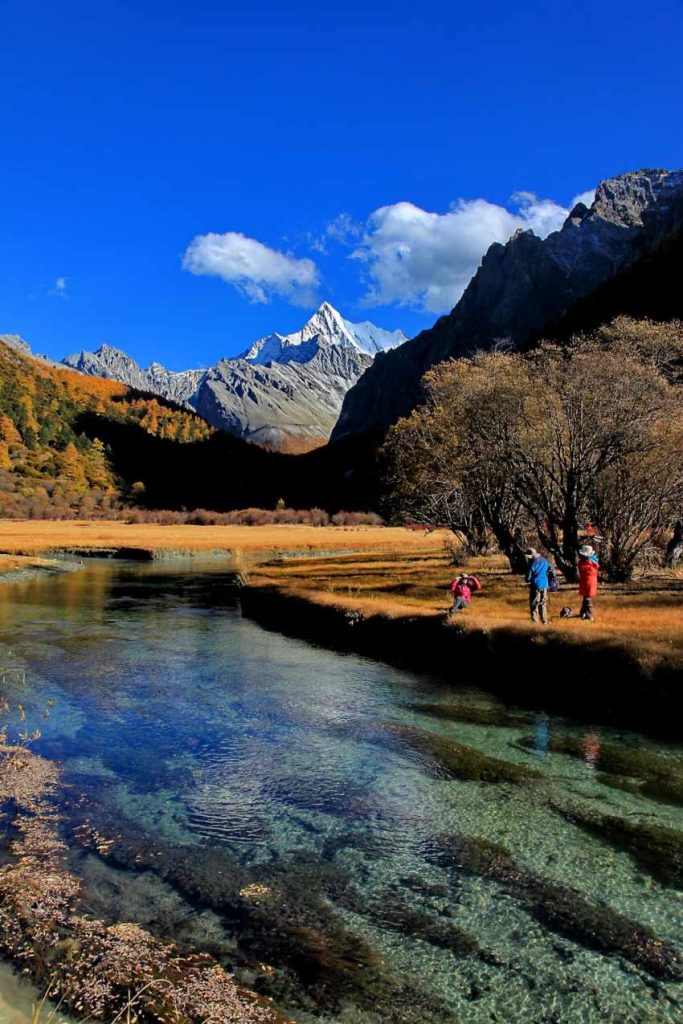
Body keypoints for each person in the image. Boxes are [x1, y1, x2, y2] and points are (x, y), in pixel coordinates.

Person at [525, 547, 553, 624]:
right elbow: (551, 569)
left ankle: (534, 621)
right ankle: (544, 621)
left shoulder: (532, 564)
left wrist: (528, 580)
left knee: (534, 604)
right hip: (545, 585)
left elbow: (528, 577)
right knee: (543, 603)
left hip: (535, 585)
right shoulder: (544, 560)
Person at [577, 544, 599, 620]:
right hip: (590, 581)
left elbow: (582, 568)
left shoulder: (584, 563)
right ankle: (583, 612)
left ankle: (589, 614)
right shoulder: (594, 562)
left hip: (587, 582)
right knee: (585, 597)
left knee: (587, 598)